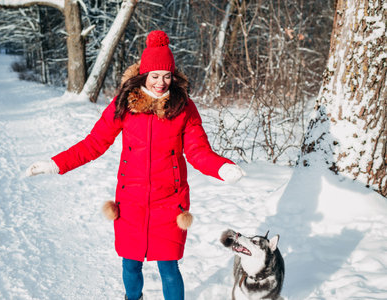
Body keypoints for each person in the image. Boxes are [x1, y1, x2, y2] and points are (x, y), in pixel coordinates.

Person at [25, 30, 245, 300]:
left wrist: (221, 167)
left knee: (168, 266)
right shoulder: (124, 104)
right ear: (143, 75)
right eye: (155, 76)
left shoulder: (183, 107)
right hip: (131, 200)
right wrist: (56, 164)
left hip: (170, 199)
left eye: (167, 76)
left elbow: (198, 150)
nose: (161, 83)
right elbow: (94, 143)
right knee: (130, 264)